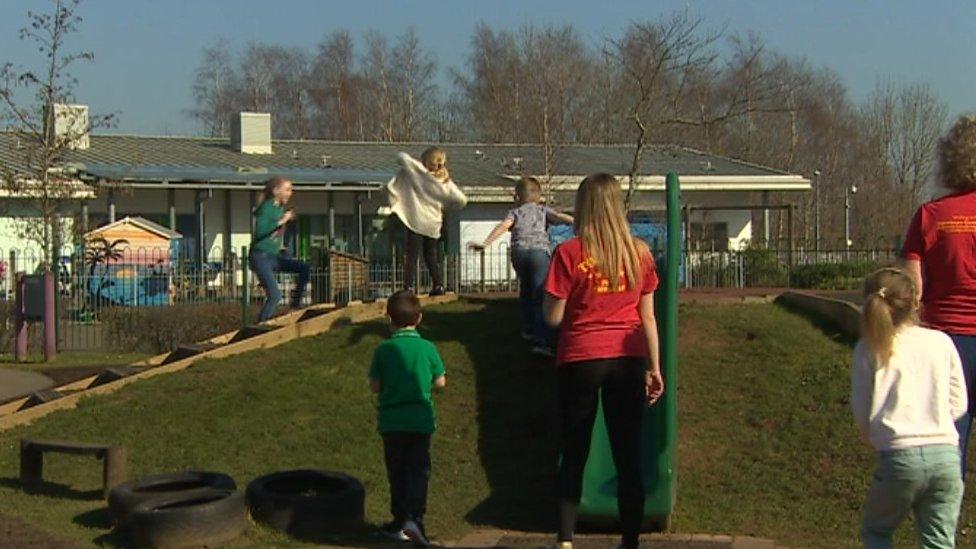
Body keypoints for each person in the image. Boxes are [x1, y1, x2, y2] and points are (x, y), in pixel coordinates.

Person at [542, 173, 665, 549]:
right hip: (627, 359)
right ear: (617, 207)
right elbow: (647, 317)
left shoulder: (569, 254)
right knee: (627, 453)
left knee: (574, 450)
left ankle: (565, 540)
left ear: (583, 207)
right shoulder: (639, 254)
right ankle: (630, 541)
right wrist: (655, 368)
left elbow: (552, 317)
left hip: (580, 358)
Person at [852, 268, 967, 548]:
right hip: (946, 455)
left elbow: (862, 409)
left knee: (876, 532)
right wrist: (934, 420)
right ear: (915, 302)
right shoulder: (941, 342)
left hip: (898, 455)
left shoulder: (869, 348)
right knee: (938, 541)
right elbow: (959, 402)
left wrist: (876, 437)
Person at [902, 114, 976, 476]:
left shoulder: (930, 215)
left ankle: (945, 520)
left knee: (950, 441)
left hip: (943, 341)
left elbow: (910, 290)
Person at [370, 290, 447, 547]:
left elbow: (375, 386)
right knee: (418, 470)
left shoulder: (383, 350)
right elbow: (440, 381)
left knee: (397, 471)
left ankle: (398, 519)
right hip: (420, 419)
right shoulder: (427, 348)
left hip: (392, 422)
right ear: (420, 318)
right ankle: (416, 518)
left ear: (388, 319)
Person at [469, 177, 573, 357]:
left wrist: (486, 243)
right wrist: (576, 221)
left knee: (525, 288)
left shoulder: (515, 212)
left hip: (519, 254)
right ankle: (542, 340)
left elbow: (503, 226)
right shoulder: (542, 210)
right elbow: (558, 216)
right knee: (540, 294)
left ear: (517, 197)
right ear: (539, 197)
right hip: (539, 254)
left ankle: (529, 329)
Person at [387, 147, 467, 296]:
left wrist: (416, 164)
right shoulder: (445, 183)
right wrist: (447, 205)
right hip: (433, 224)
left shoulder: (418, 173)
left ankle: (408, 287)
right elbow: (462, 200)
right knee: (431, 256)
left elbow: (401, 157)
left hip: (416, 221)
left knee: (411, 255)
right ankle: (438, 285)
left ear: (426, 160)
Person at [250, 177, 310, 322]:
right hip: (260, 257)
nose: (291, 193)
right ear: (276, 191)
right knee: (275, 295)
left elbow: (276, 233)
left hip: (273, 257)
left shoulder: (279, 208)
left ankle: (295, 305)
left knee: (304, 268)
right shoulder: (267, 208)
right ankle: (261, 325)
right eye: (287, 190)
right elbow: (259, 232)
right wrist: (282, 221)